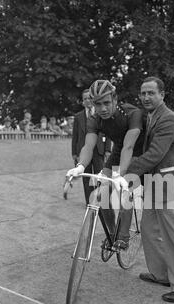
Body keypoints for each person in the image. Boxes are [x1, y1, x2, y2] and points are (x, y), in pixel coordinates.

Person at [125, 76, 174, 303]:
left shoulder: (169, 119)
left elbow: (155, 153)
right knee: (148, 229)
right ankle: (161, 274)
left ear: (162, 95)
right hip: (155, 184)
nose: (146, 97)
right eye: (143, 93)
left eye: (151, 93)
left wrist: (128, 172)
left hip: (170, 184)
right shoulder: (150, 117)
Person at [67, 80, 145, 246]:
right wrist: (80, 166)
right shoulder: (95, 119)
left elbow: (129, 146)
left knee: (125, 189)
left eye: (107, 103)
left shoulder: (132, 113)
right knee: (101, 192)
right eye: (97, 104)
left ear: (115, 99)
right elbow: (88, 146)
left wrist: (120, 175)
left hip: (138, 152)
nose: (102, 109)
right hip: (119, 150)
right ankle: (112, 233)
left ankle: (123, 237)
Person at [71, 88, 112, 205]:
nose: (87, 101)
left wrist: (108, 149)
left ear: (93, 99)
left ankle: (101, 200)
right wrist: (74, 153)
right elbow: (75, 136)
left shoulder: (101, 113)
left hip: (99, 150)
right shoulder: (78, 117)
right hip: (83, 151)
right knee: (86, 178)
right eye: (85, 99)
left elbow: (108, 133)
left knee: (101, 176)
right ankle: (89, 202)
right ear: (82, 102)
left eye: (89, 98)